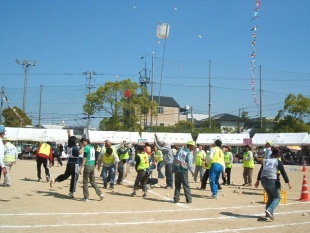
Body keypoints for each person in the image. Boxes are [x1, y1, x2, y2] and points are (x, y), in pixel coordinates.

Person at [254, 147, 292, 221]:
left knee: (271, 197)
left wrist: (257, 180)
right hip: (271, 179)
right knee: (277, 197)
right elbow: (283, 172)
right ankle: (270, 210)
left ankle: (268, 215)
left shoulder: (265, 160)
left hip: (263, 180)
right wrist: (288, 182)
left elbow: (260, 171)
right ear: (278, 154)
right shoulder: (278, 161)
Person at [50, 132, 80, 198]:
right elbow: (79, 153)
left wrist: (69, 133)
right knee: (74, 178)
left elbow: (69, 139)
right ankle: (72, 192)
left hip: (69, 163)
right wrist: (83, 147)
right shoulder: (75, 148)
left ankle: (56, 180)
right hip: (75, 164)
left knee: (66, 175)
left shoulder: (69, 146)